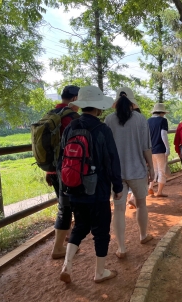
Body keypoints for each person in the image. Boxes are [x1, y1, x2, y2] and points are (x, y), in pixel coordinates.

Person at [58, 85, 123, 284]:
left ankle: (67, 265)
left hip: (74, 186)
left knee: (79, 226)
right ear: (97, 108)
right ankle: (99, 272)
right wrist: (117, 187)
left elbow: (61, 156)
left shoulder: (71, 127)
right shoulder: (102, 129)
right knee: (101, 231)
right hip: (98, 189)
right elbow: (111, 160)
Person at [104, 86, 155, 259]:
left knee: (118, 210)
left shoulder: (108, 120)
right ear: (132, 103)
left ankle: (122, 248)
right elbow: (146, 148)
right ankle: (143, 236)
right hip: (138, 170)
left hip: (116, 174)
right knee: (141, 204)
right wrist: (151, 168)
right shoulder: (141, 120)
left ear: (116, 102)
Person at [47, 85, 80, 260]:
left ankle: (66, 236)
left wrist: (49, 168)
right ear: (75, 99)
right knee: (65, 208)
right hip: (67, 170)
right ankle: (58, 248)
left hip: (52, 169)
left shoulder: (51, 114)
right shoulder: (71, 118)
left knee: (64, 204)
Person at [147, 103, 170, 198]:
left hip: (150, 149)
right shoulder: (163, 121)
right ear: (162, 112)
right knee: (161, 171)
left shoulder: (148, 121)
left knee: (154, 169)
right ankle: (159, 192)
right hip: (160, 149)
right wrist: (167, 148)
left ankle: (150, 187)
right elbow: (163, 134)